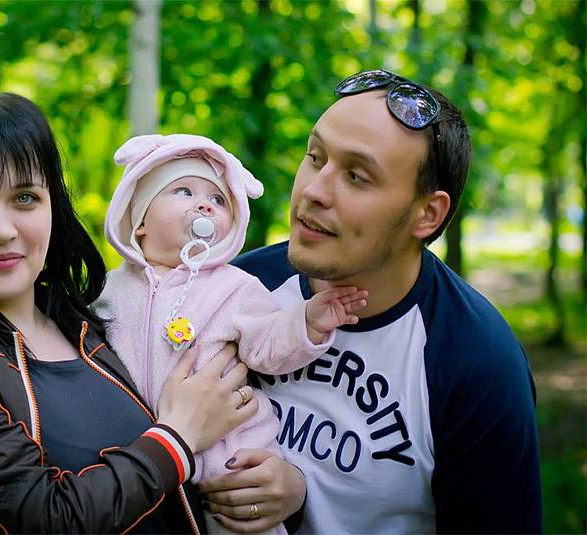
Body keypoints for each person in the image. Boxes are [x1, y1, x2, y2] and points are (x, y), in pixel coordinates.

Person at [0, 91, 304, 534]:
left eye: (24, 198)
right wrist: (178, 437)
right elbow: (44, 519)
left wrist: (287, 489)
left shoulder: (95, 319)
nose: (2, 230)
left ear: (53, 207)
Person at [201, 70, 542, 533]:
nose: (314, 191)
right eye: (315, 158)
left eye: (357, 177)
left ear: (427, 214)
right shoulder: (238, 289)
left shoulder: (477, 362)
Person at [95, 134, 368, 534]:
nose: (205, 205)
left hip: (228, 451)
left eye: (219, 199)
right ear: (138, 222)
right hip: (146, 448)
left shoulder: (234, 287)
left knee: (238, 513)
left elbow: (266, 343)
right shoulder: (109, 291)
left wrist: (307, 322)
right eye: (183, 191)